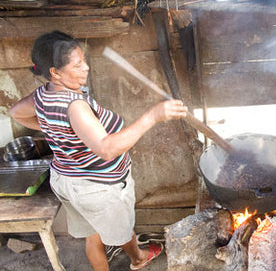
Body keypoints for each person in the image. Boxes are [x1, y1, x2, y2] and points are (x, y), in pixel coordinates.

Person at [9, 31, 188, 271]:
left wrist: (54, 130)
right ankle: (137, 258)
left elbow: (15, 112)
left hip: (68, 181)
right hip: (97, 188)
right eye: (78, 64)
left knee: (93, 236)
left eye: (84, 60)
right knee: (121, 230)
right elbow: (107, 149)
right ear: (55, 72)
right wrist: (153, 116)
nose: (86, 68)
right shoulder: (75, 107)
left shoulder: (44, 94)